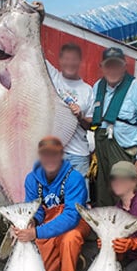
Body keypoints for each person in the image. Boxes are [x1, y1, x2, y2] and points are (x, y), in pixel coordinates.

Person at [13, 136, 90, 271]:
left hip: (76, 222)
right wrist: (32, 221)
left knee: (69, 239)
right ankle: (70, 260)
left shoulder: (75, 178)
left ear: (61, 155)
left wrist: (36, 232)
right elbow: (36, 208)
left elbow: (71, 217)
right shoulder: (31, 179)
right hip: (47, 221)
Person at [90, 47, 137, 208]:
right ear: (102, 67)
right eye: (108, 65)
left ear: (124, 66)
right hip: (101, 149)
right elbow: (93, 119)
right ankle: (106, 231)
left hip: (124, 152)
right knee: (103, 194)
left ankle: (130, 232)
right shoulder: (97, 86)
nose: (112, 69)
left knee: (126, 197)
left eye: (116, 65)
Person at [46, 43, 95, 183]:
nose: (70, 63)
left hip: (78, 154)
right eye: (66, 59)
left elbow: (91, 125)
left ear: (80, 62)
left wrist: (80, 116)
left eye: (74, 59)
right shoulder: (53, 76)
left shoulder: (87, 90)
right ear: (60, 60)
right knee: (54, 201)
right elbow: (34, 51)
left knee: (79, 200)